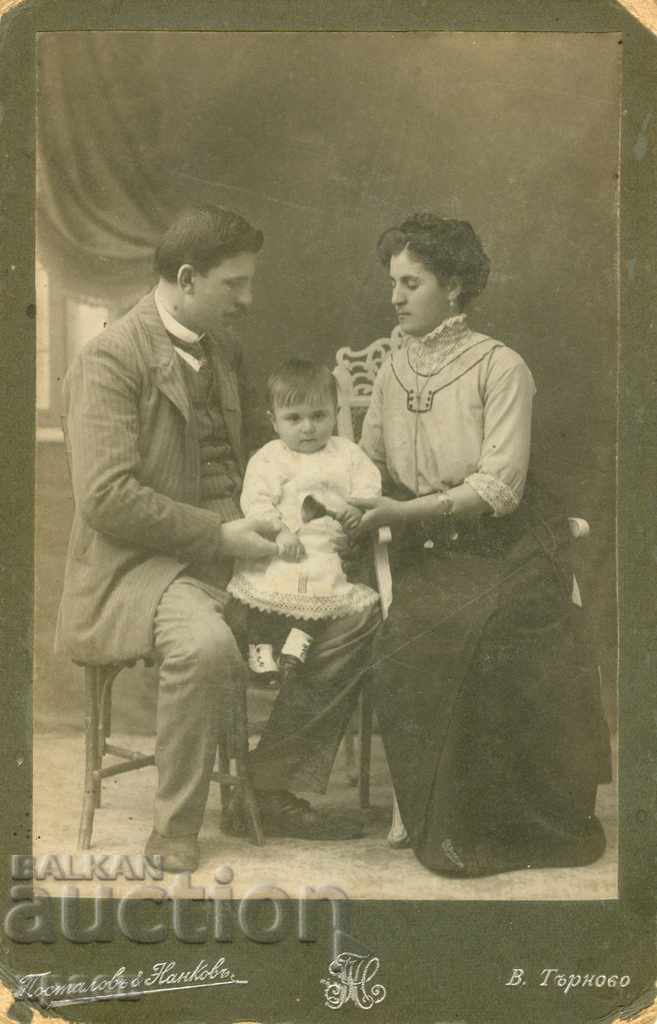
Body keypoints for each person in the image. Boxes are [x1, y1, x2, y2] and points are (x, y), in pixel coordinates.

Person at [56, 204, 380, 872]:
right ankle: (175, 826)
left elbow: (256, 457)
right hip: (143, 566)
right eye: (234, 284)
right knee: (205, 649)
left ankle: (265, 782)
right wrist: (221, 535)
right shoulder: (108, 361)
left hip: (235, 551)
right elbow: (106, 498)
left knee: (356, 615)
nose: (248, 299)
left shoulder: (221, 348)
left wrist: (306, 508)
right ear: (186, 277)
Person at [353, 212, 611, 878]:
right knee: (419, 634)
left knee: (501, 628)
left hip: (503, 539)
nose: (395, 297)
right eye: (393, 283)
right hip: (419, 545)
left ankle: (510, 821)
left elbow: (499, 485)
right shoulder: (391, 368)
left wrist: (405, 509)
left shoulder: (500, 368)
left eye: (411, 283)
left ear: (456, 287)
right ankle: (434, 810)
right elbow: (367, 459)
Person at [228, 358, 381, 687]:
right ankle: (261, 648)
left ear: (336, 413)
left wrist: (356, 512)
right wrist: (279, 531)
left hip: (327, 547)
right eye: (294, 418)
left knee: (325, 592)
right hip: (282, 547)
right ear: (274, 421)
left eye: (318, 416)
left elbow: (369, 486)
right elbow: (255, 500)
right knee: (265, 595)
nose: (308, 428)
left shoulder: (348, 454)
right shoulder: (270, 457)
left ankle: (298, 643)